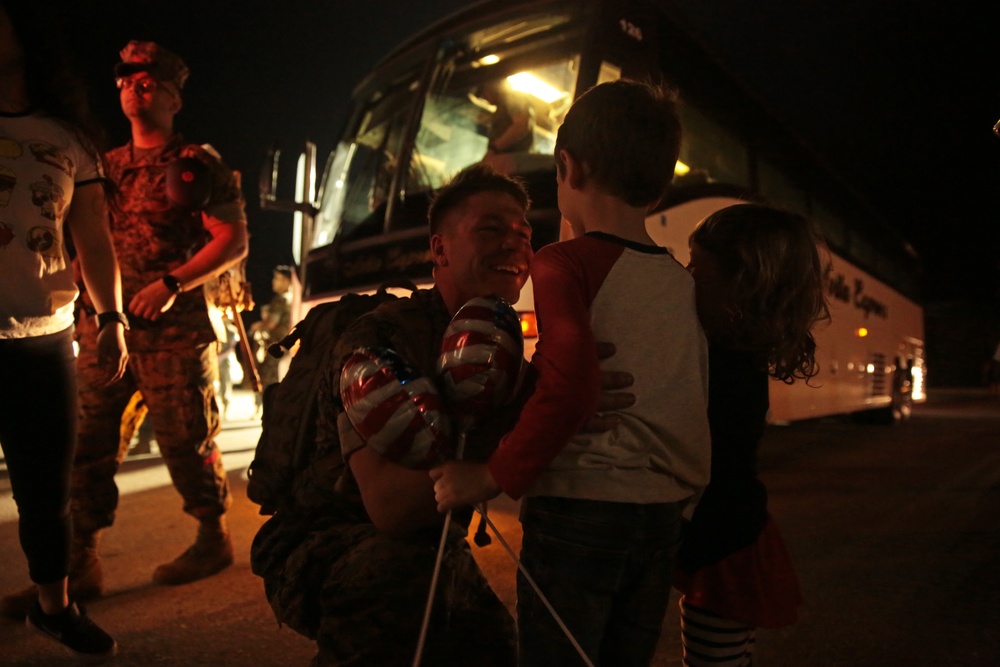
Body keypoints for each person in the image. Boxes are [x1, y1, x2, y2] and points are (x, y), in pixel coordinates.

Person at [250, 163, 634, 666]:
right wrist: (538, 428)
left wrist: (562, 402)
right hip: (325, 544)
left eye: (524, 234)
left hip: (427, 545)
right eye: (491, 230)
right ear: (439, 250)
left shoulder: (490, 340)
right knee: (398, 588)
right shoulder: (377, 342)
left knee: (498, 652)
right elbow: (392, 508)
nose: (515, 246)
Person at [432, 79, 712, 666]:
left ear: (567, 166)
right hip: (661, 517)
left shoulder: (562, 264)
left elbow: (573, 387)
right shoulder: (680, 280)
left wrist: (489, 476)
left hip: (582, 512)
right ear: (658, 188)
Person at [69, 40, 246, 599]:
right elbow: (87, 240)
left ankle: (212, 536)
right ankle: (80, 560)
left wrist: (171, 284)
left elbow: (232, 239)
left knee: (186, 438)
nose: (133, 89)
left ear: (173, 96)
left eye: (147, 82)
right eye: (125, 81)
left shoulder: (195, 164)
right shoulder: (104, 166)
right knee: (87, 442)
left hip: (175, 331)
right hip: (106, 329)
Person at [0, 2, 126, 658]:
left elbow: (95, 243)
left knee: (45, 489)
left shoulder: (68, 138)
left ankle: (55, 606)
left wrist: (111, 314)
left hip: (42, 339)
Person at [673, 204, 831, 666]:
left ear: (739, 282)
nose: (685, 274)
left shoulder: (722, 368)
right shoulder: (739, 356)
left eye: (697, 265)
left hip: (725, 550)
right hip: (735, 537)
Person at [250, 264, 293, 415]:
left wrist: (258, 326)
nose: (274, 282)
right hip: (287, 346)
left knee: (269, 384)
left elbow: (271, 323)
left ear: (288, 281)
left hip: (275, 348)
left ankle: (270, 416)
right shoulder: (292, 299)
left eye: (278, 279)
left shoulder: (280, 300)